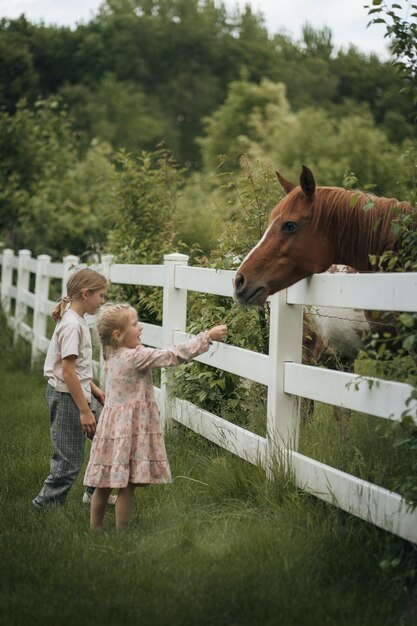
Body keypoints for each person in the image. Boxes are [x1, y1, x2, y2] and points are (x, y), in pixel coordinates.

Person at [84, 303, 228, 531]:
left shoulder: (110, 355)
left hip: (111, 429)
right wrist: (206, 336)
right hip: (130, 430)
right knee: (127, 485)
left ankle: (95, 528)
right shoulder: (135, 356)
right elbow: (172, 355)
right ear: (118, 334)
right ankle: (123, 532)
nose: (140, 328)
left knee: (104, 483)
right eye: (134, 324)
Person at [32, 267, 116, 510]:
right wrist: (85, 410)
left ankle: (94, 492)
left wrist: (95, 390)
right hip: (68, 398)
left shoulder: (76, 320)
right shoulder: (72, 325)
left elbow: (74, 367)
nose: (103, 301)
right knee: (68, 463)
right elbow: (67, 372)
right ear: (86, 294)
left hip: (79, 393)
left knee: (107, 436)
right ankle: (44, 506)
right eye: (101, 295)